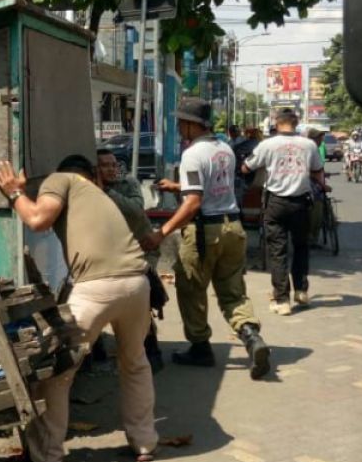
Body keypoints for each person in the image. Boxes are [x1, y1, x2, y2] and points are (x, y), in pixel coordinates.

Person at [0, 155, 157, 462]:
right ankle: (145, 443)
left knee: (58, 374)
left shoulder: (61, 179)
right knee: (135, 363)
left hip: (96, 288)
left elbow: (37, 219)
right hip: (137, 284)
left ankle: (46, 460)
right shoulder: (100, 195)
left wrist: (13, 193)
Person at [145, 97, 270, 379]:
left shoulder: (192, 154)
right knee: (232, 290)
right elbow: (212, 186)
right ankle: (251, 336)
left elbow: (193, 203)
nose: (178, 128)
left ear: (193, 125)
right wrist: (178, 185)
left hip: (206, 232)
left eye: (181, 123)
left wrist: (160, 234)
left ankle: (200, 346)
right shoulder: (224, 148)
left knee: (190, 287)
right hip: (233, 228)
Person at [243, 110, 325, 315]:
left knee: (277, 251)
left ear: (276, 123)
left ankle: (282, 300)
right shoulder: (309, 145)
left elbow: (246, 167)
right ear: (296, 123)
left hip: (275, 203)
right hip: (301, 203)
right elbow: (317, 171)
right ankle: (301, 290)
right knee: (301, 246)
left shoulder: (267, 145)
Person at [97, 149, 166, 372]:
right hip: (112, 254)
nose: (111, 169)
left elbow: (136, 210)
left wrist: (106, 191)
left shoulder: (128, 183)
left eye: (113, 164)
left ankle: (151, 350)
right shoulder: (88, 189)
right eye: (105, 165)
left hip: (142, 250)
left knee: (140, 300)